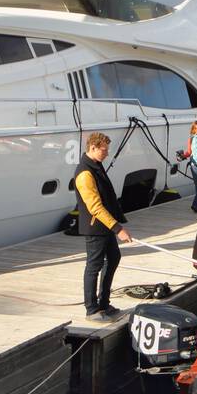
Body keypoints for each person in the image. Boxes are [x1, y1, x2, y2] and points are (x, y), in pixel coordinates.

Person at [74, 132, 133, 321]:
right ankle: (91, 309)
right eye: (104, 150)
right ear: (93, 148)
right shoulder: (84, 172)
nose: (107, 153)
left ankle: (104, 303)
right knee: (94, 265)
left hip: (104, 226)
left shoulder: (96, 166)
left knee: (114, 257)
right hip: (95, 227)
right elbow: (94, 206)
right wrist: (118, 228)